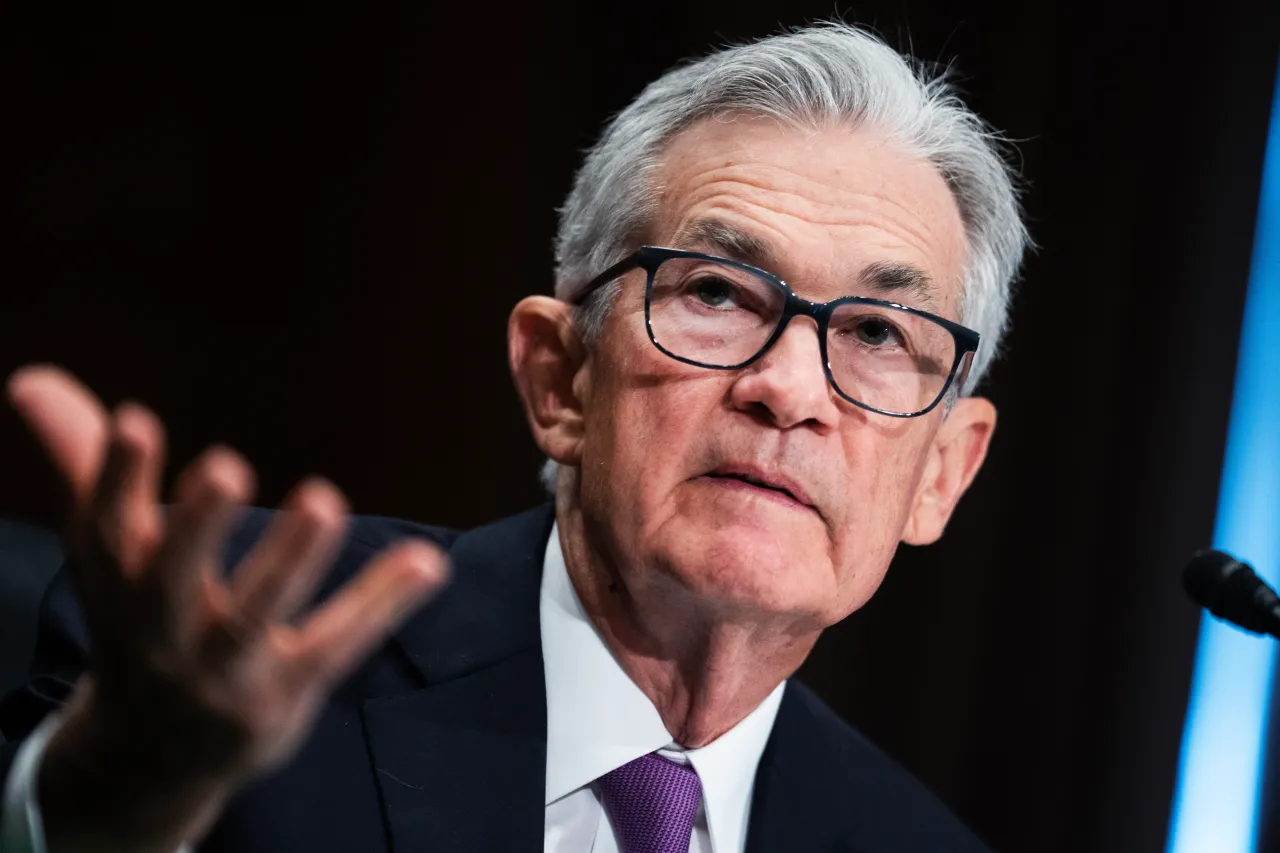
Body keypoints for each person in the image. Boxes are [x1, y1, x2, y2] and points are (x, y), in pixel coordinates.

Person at [0, 21, 1028, 853]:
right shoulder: (218, 651)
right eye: (715, 290)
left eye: (878, 334)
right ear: (558, 375)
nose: (787, 387)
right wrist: (115, 819)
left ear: (941, 470)